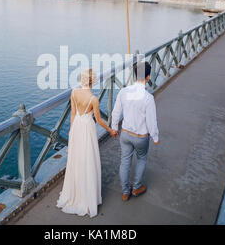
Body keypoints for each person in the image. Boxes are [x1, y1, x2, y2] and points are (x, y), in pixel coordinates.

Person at [57, 69, 118, 217]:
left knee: (76, 159)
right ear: (92, 81)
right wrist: (110, 130)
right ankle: (87, 196)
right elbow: (98, 120)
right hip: (87, 128)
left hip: (77, 126)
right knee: (88, 159)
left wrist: (71, 132)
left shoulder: (74, 93)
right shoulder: (93, 99)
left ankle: (75, 192)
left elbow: (72, 113)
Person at [111, 61, 160, 201]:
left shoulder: (123, 91)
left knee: (125, 162)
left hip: (125, 134)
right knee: (141, 159)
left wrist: (114, 128)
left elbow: (116, 113)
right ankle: (137, 187)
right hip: (140, 136)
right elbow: (151, 121)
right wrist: (155, 137)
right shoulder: (148, 98)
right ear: (148, 77)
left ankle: (125, 192)